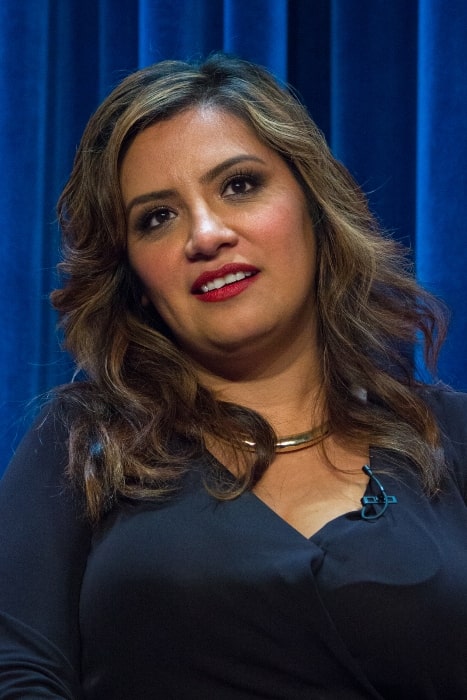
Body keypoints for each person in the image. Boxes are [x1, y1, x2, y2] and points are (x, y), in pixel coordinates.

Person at [0, 52, 466, 700]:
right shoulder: (83, 441)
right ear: (132, 276)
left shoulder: (449, 437)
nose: (207, 234)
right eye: (156, 217)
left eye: (239, 185)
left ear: (312, 206)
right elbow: (15, 670)